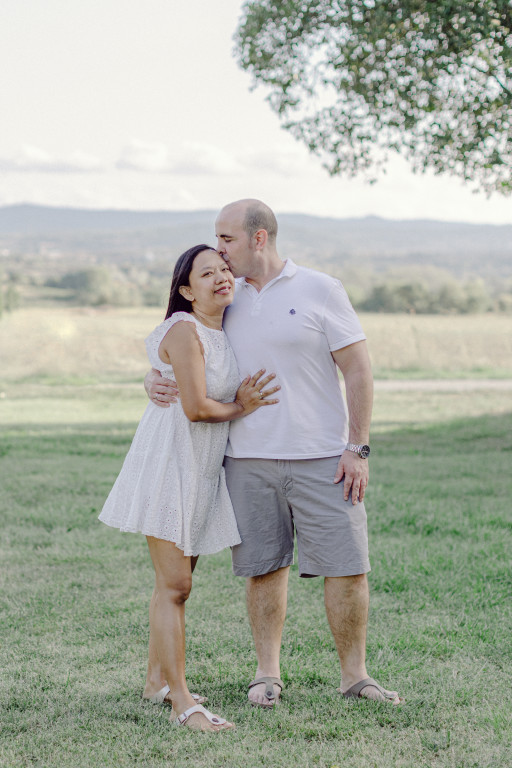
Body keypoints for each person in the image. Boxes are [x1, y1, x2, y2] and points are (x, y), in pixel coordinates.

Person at [145, 201, 403, 707]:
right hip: (245, 459)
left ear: (258, 238)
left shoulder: (320, 288)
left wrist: (358, 447)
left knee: (348, 567)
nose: (219, 249)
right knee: (264, 568)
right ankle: (267, 674)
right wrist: (154, 378)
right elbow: (182, 341)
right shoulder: (224, 294)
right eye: (217, 241)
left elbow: (358, 369)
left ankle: (355, 676)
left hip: (325, 457)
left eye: (227, 239)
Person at [99, 243, 280, 732]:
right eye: (207, 273)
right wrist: (243, 405)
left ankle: (156, 681)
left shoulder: (226, 328)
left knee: (175, 585)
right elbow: (196, 408)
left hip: (201, 469)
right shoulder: (185, 329)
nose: (221, 276)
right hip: (168, 463)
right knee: (176, 585)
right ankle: (182, 703)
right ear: (185, 290)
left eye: (224, 269)